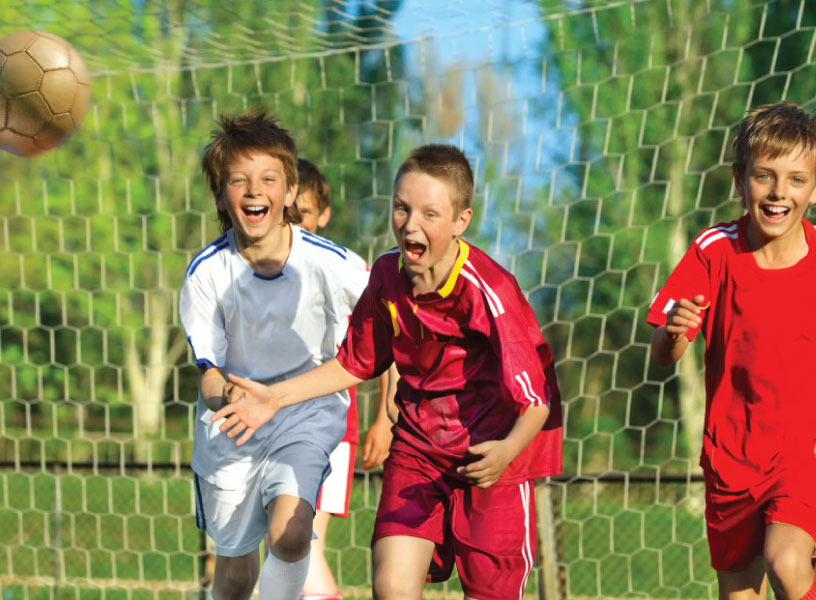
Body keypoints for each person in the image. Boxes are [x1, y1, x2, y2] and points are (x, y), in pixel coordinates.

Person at [211, 144, 563, 600]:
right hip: (418, 453)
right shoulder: (385, 276)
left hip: (492, 459)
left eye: (429, 214)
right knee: (392, 588)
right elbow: (353, 363)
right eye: (402, 207)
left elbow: (536, 401)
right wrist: (274, 397)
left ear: (461, 221)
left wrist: (507, 450)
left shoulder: (489, 290)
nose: (410, 224)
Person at [647, 101, 816, 600]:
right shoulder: (713, 251)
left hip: (809, 436)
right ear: (739, 180)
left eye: (795, 179)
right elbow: (664, 351)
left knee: (786, 561)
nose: (777, 193)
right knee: (739, 591)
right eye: (764, 176)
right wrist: (674, 332)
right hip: (732, 444)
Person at [180, 109, 370, 600]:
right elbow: (208, 379)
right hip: (234, 426)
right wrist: (231, 395)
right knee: (237, 575)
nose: (253, 190)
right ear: (222, 195)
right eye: (238, 180)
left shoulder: (337, 266)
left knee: (290, 534)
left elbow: (385, 336)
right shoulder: (206, 274)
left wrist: (392, 410)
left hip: (305, 415)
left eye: (268, 178)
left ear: (289, 191)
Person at [292, 158, 395, 600]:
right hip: (272, 426)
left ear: (324, 214)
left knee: (301, 547)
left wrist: (385, 419)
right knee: (285, 552)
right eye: (286, 212)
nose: (294, 222)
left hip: (329, 429)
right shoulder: (258, 269)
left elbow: (389, 340)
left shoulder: (341, 270)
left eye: (304, 213)